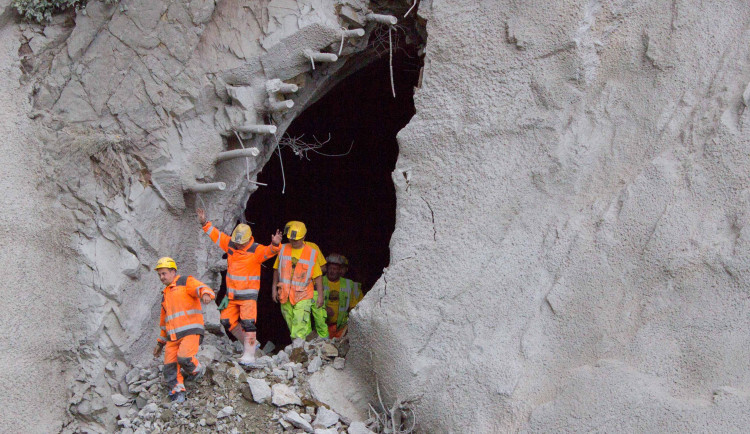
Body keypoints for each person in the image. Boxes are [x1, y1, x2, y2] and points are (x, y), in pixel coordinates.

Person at [197, 208, 282, 367]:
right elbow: (217, 236)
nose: (238, 244)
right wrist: (204, 223)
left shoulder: (255, 250)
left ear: (248, 239)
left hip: (248, 297)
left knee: (248, 323)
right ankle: (250, 343)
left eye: (240, 242)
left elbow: (269, 251)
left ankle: (249, 355)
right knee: (226, 320)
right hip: (232, 295)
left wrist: (275, 244)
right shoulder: (230, 244)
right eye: (236, 241)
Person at [152, 257, 215, 403]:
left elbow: (200, 287)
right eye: (160, 274)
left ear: (173, 272)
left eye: (164, 273)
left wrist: (206, 294)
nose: (162, 277)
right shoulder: (165, 296)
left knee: (184, 357)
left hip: (190, 331)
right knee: (169, 366)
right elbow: (164, 324)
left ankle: (197, 370)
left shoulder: (185, 281)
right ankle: (177, 391)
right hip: (172, 337)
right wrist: (160, 343)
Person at [271, 221, 325, 347]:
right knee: (291, 321)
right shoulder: (283, 249)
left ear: (304, 237)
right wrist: (273, 289)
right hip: (285, 294)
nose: (293, 242)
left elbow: (318, 276)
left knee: (299, 320)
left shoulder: (311, 253)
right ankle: (306, 346)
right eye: (291, 239)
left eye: (296, 240)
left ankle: (297, 348)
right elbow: (276, 270)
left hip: (304, 294)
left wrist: (320, 296)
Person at [323, 254, 363, 338]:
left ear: (340, 270)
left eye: (335, 269)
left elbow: (355, 308)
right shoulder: (319, 281)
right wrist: (322, 309)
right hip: (322, 327)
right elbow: (309, 301)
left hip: (341, 328)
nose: (332, 271)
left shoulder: (349, 284)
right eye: (330, 268)